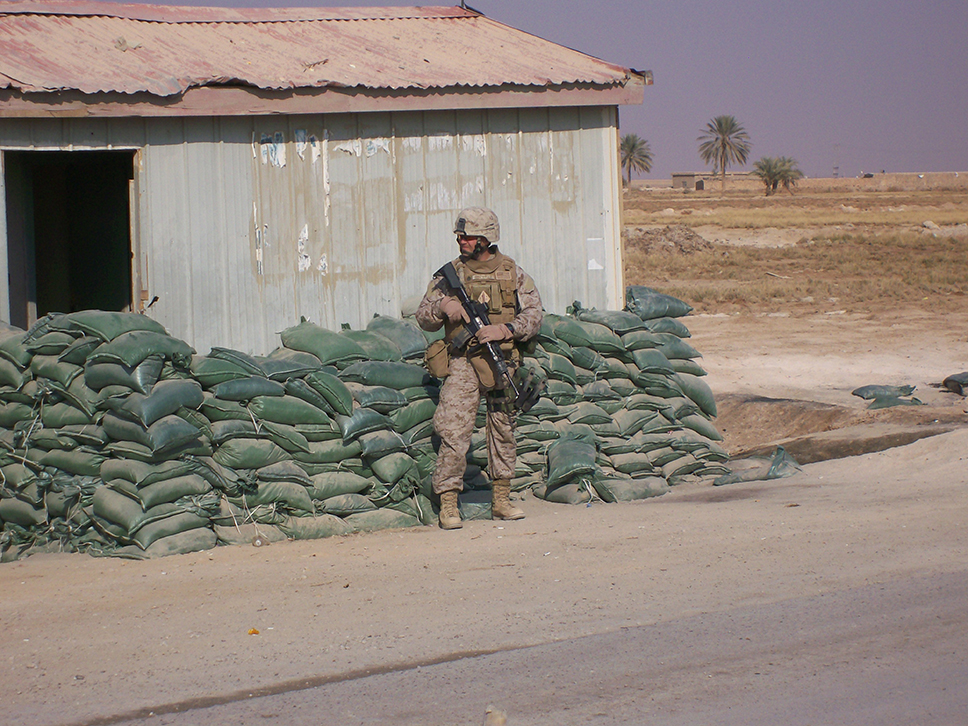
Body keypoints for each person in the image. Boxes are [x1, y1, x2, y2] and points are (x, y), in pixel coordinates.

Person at [416, 207, 543, 529]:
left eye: (468, 236)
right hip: (462, 362)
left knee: (502, 430)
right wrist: (444, 306)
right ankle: (448, 502)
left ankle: (500, 499)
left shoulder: (513, 273)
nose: (461, 241)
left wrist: (506, 330)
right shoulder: (449, 275)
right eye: (459, 236)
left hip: (503, 361)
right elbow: (423, 316)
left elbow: (534, 315)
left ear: (486, 238)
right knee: (454, 431)